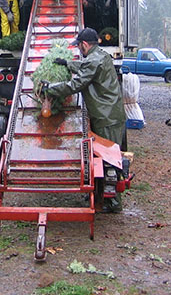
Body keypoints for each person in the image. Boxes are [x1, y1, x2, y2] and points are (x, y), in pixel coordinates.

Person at [41, 27, 127, 212]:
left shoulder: (94, 60)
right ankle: (101, 195)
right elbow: (86, 67)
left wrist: (51, 88)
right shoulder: (100, 56)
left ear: (85, 44)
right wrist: (67, 64)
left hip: (107, 116)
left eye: (79, 46)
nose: (79, 49)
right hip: (108, 113)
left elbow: (76, 84)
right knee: (104, 157)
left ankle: (113, 203)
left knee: (109, 159)